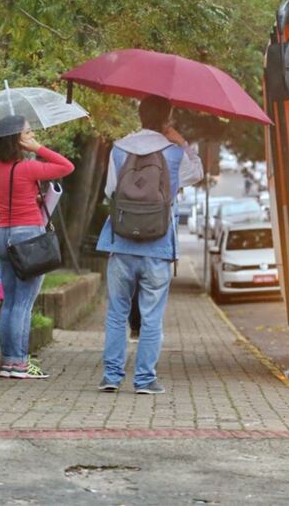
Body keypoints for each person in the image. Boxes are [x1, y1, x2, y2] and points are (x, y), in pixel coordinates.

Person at [97, 96, 203, 394]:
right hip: (158, 245)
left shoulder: (119, 147)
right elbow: (197, 173)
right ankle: (144, 380)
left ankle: (112, 376)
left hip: (121, 244)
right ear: (167, 117)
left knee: (117, 313)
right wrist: (181, 142)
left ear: (140, 115)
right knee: (152, 316)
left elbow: (109, 191)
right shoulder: (173, 153)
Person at [0, 114, 74, 379]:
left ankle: (8, 363)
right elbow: (66, 166)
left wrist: (33, 196)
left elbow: (11, 196)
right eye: (28, 133)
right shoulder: (28, 168)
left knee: (10, 301)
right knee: (23, 304)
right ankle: (21, 364)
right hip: (27, 237)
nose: (32, 136)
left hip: (2, 236)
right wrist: (38, 149)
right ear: (18, 139)